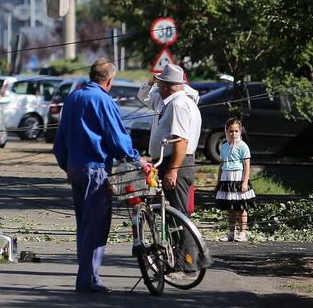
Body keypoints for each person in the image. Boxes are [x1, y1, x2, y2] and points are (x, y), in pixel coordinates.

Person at [54, 58, 143, 293]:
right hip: (96, 169)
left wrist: (67, 166)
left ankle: (85, 276)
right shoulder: (103, 100)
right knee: (96, 225)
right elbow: (116, 138)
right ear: (110, 80)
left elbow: (60, 138)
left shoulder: (73, 98)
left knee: (84, 224)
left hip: (76, 167)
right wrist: (135, 158)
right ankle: (88, 280)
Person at [141, 63, 202, 272]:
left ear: (169, 86)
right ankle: (176, 260)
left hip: (178, 163)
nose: (159, 88)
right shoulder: (175, 101)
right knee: (173, 215)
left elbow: (181, 141)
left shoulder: (179, 104)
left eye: (161, 84)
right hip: (172, 162)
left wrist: (173, 169)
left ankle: (187, 262)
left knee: (179, 215)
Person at [215, 118, 256, 242]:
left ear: (240, 131)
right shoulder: (223, 147)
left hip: (238, 177)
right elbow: (221, 165)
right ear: (226, 131)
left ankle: (243, 232)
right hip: (226, 178)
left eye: (236, 131)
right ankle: (231, 232)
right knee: (230, 207)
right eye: (231, 131)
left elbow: (247, 165)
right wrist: (218, 182)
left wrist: (244, 182)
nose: (233, 134)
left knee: (241, 207)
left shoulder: (243, 146)